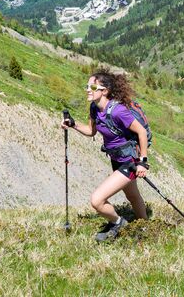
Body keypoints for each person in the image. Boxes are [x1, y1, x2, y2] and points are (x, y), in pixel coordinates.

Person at [61, 69, 149, 241]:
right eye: (87, 86)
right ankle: (145, 228)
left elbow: (141, 132)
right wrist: (72, 124)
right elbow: (91, 131)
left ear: (105, 91)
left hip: (130, 161)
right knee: (132, 196)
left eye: (92, 86)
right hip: (116, 159)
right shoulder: (95, 108)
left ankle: (119, 222)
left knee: (97, 200)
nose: (88, 89)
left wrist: (142, 162)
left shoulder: (118, 111)